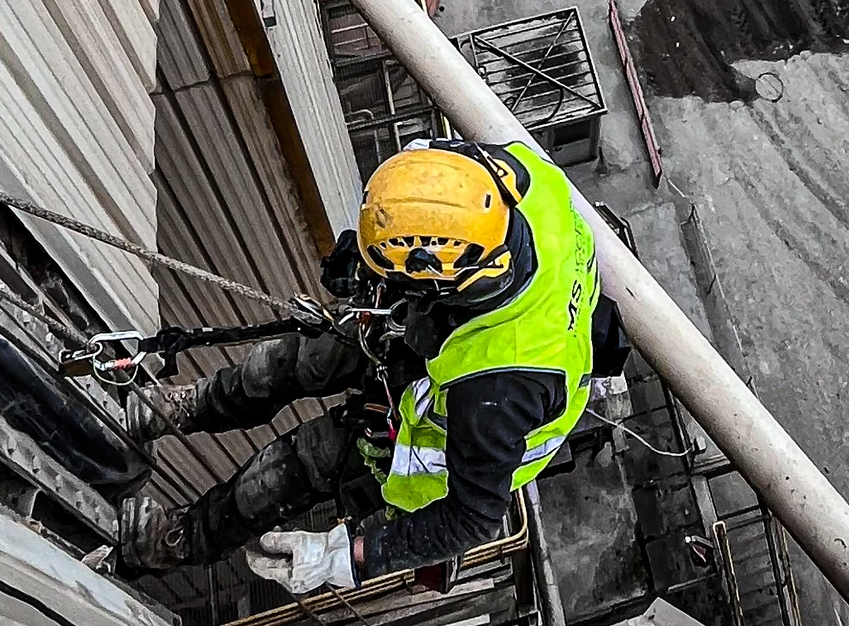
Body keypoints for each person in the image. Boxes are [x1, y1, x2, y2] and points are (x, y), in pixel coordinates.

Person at [116, 136, 597, 597]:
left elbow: (474, 517)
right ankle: (176, 409)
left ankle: (174, 541)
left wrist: (346, 558)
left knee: (292, 468)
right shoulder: (522, 180)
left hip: (437, 432)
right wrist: (368, 262)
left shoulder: (495, 396)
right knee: (290, 361)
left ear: (438, 280)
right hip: (440, 332)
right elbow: (424, 173)